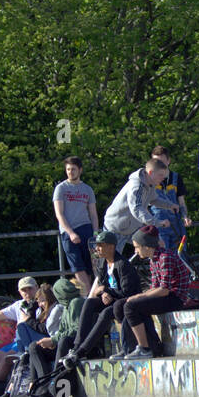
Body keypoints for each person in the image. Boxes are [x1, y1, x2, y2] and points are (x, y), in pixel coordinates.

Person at [112, 227, 195, 360]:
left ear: (147, 246)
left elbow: (164, 290)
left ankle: (144, 349)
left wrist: (139, 296)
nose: (135, 251)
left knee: (131, 306)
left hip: (174, 298)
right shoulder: (153, 259)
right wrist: (138, 297)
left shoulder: (165, 257)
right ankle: (129, 347)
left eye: (137, 247)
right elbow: (154, 287)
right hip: (165, 295)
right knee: (119, 305)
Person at [61, 231, 142, 365]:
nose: (96, 248)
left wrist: (107, 292)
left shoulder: (123, 265)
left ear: (111, 247)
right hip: (110, 298)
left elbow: (127, 292)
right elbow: (102, 286)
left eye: (100, 245)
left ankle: (82, 351)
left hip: (124, 302)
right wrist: (104, 293)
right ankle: (77, 346)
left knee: (105, 313)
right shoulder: (102, 263)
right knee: (89, 303)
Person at [103, 157, 178, 254]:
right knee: (113, 262)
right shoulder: (137, 186)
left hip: (131, 227)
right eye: (161, 175)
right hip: (117, 228)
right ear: (151, 173)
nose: (163, 178)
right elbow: (137, 209)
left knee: (157, 243)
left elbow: (154, 199)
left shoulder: (150, 184)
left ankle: (157, 267)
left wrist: (170, 205)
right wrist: (157, 222)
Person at [27, 277, 84, 390]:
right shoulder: (67, 305)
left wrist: (53, 340)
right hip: (61, 341)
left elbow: (76, 329)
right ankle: (39, 383)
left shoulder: (76, 303)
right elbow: (62, 330)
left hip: (72, 345)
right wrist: (52, 341)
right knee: (34, 347)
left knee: (59, 341)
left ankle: (49, 382)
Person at [53, 156, 99, 296]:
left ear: (80, 170)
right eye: (68, 169)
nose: (70, 172)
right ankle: (87, 298)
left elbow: (93, 213)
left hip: (86, 229)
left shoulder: (87, 189)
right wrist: (71, 233)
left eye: (73, 169)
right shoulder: (61, 188)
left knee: (92, 267)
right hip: (69, 232)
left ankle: (94, 296)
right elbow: (59, 214)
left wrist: (96, 233)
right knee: (78, 268)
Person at [148, 145, 192, 258]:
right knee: (162, 258)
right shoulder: (150, 179)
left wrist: (185, 216)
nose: (159, 165)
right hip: (158, 225)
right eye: (156, 161)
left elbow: (181, 202)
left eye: (161, 161)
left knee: (181, 258)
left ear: (169, 161)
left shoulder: (176, 178)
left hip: (176, 224)